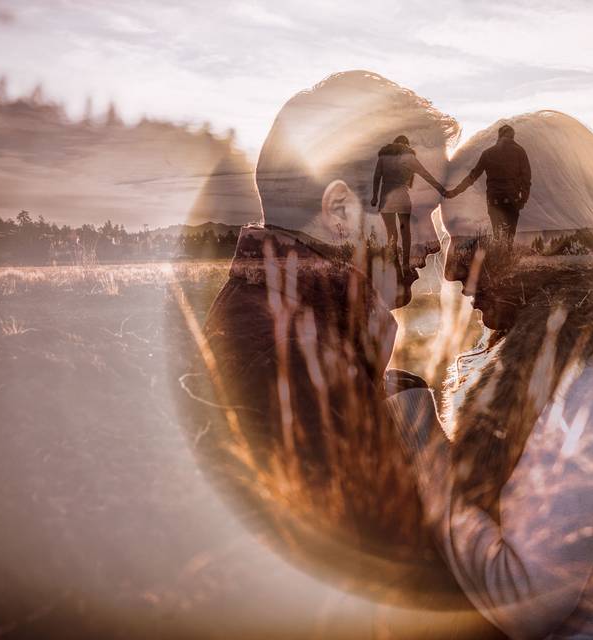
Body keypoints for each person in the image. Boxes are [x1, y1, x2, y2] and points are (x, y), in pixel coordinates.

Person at [178, 72, 504, 634]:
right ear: (341, 212)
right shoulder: (288, 362)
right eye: (417, 213)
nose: (433, 243)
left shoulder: (296, 330)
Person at [385, 111, 593, 640]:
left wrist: (421, 438)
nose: (450, 269)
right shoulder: (546, 352)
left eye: (470, 238)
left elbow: (524, 601)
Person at [444, 123, 531, 241]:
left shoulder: (488, 153)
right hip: (512, 198)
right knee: (509, 236)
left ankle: (498, 255)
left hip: (493, 199)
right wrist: (523, 199)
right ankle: (507, 255)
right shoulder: (520, 152)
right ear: (512, 136)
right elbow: (526, 179)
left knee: (498, 234)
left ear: (499, 136)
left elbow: (472, 177)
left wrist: (454, 192)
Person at [372, 134, 446, 268]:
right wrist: (441, 189)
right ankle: (405, 264)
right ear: (406, 145)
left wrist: (374, 197)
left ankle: (394, 265)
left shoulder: (383, 157)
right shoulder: (409, 157)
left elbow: (377, 177)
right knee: (405, 233)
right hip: (401, 197)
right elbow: (425, 174)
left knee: (391, 233)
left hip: (385, 198)